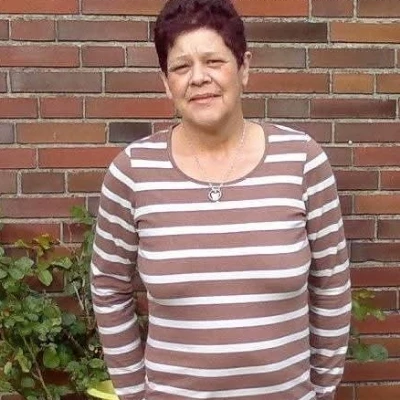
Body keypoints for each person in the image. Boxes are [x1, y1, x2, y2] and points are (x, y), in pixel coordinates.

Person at [90, 0, 351, 399]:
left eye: (214, 61)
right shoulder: (132, 172)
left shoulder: (302, 160)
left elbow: (331, 283)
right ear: (166, 82)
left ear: (244, 67)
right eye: (181, 67)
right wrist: (134, 392)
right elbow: (109, 287)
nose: (199, 78)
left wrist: (322, 388)